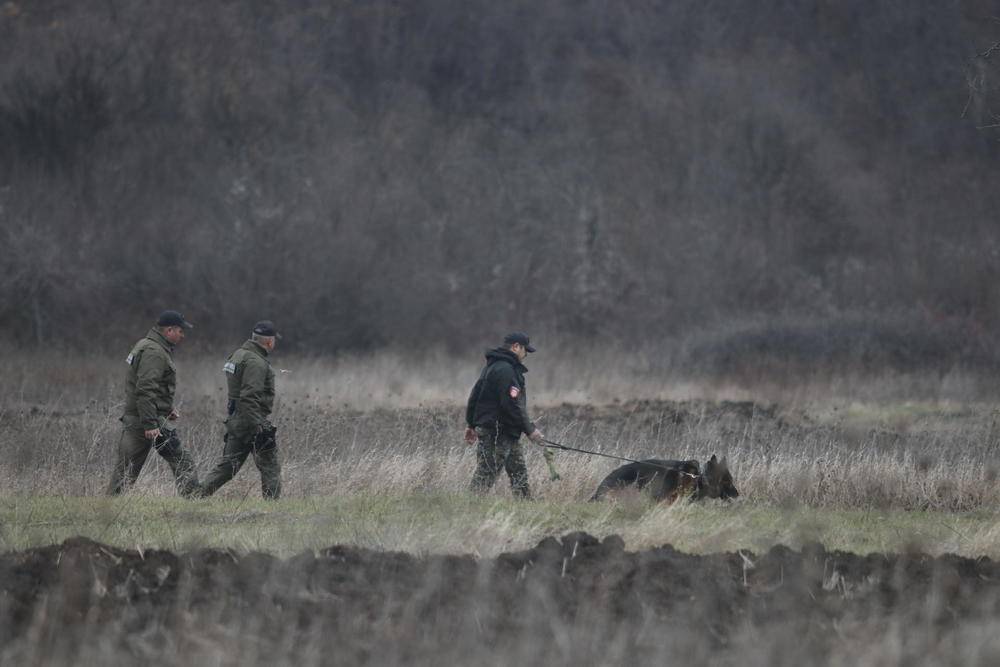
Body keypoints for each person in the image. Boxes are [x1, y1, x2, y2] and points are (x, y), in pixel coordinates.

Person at [107, 310, 200, 497]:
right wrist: (150, 423)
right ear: (169, 330)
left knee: (127, 469)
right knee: (181, 460)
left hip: (144, 416)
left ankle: (111, 503)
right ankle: (194, 500)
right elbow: (145, 388)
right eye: (181, 331)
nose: (183, 335)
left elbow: (150, 388)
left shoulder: (147, 344)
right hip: (146, 420)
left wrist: (166, 409)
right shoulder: (154, 352)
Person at [199, 320, 282, 499]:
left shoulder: (238, 354)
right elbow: (250, 396)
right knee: (270, 465)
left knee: (228, 467)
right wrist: (258, 426)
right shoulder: (256, 362)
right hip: (251, 420)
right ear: (269, 342)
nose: (274, 343)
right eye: (274, 340)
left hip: (237, 419)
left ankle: (196, 496)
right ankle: (274, 507)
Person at [465, 332, 545, 498]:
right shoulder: (506, 370)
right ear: (516, 346)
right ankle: (468, 506)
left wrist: (471, 424)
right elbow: (512, 406)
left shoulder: (492, 366)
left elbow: (475, 396)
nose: (526, 355)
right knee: (486, 474)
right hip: (497, 432)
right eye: (525, 350)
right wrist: (530, 430)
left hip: (507, 431)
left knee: (519, 473)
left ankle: (525, 506)